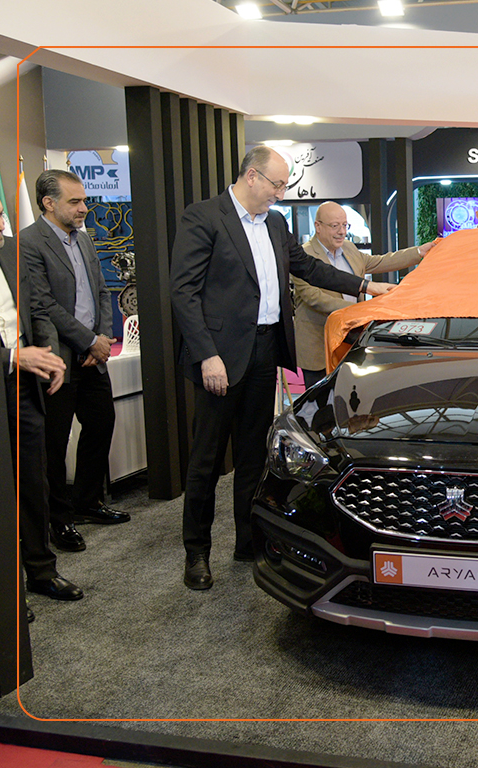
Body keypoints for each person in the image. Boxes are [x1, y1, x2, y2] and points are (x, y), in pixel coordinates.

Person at [170, 147, 394, 590]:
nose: (280, 193)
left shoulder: (275, 223)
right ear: (252, 176)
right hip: (220, 357)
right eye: (276, 184)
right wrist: (206, 354)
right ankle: (196, 553)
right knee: (206, 461)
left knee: (253, 455)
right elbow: (183, 292)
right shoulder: (204, 217)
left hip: (264, 351)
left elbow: (308, 267)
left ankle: (246, 541)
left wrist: (366, 286)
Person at [21, 170, 130, 556]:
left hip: (92, 357)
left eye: (83, 200)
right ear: (48, 203)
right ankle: (59, 519)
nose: (84, 208)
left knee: (101, 423)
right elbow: (43, 304)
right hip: (59, 359)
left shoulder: (83, 238)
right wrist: (87, 340)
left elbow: (100, 290)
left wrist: (100, 339)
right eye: (75, 201)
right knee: (54, 441)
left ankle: (87, 502)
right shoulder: (28, 243)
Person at [0, 187, 81, 611]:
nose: (0, 225)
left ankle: (41, 571)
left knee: (32, 482)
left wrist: (49, 354)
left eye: (0, 215)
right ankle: (3, 592)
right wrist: (12, 357)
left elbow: (37, 310)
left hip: (24, 387)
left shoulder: (10, 251)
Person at [293, 201, 436, 386]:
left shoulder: (349, 248)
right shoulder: (303, 257)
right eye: (335, 226)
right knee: (321, 399)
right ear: (318, 226)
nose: (341, 232)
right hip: (319, 345)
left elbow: (380, 262)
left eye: (345, 225)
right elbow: (315, 298)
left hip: (353, 341)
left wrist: (418, 252)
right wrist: (362, 310)